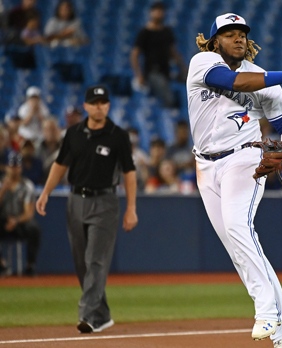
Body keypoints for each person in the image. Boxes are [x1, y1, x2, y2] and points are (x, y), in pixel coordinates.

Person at [187, 12, 282, 348]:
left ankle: (266, 310)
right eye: (229, 33)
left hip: (244, 159)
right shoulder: (203, 61)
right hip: (204, 166)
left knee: (240, 230)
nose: (238, 38)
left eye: (242, 32)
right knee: (238, 244)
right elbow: (234, 83)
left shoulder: (260, 75)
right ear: (215, 42)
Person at [35, 85, 138, 334]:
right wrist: (46, 192)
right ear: (86, 106)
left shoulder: (118, 135)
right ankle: (102, 315)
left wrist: (131, 207)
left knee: (95, 261)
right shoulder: (73, 133)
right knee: (82, 263)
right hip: (75, 200)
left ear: (108, 105)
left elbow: (129, 172)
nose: (99, 106)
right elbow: (60, 164)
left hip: (105, 202)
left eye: (104, 102)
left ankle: (88, 315)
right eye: (95, 102)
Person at [130, 1, 186, 108]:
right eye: (157, 11)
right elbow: (134, 54)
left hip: (166, 71)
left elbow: (173, 51)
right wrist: (139, 75)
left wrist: (183, 69)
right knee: (167, 98)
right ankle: (169, 114)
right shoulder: (145, 32)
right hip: (152, 71)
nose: (160, 13)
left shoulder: (167, 31)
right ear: (151, 13)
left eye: (162, 11)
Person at [0, 152, 40, 276]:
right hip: (2, 221)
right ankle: (1, 264)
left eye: (17, 166)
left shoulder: (27, 185)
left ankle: (30, 265)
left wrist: (16, 221)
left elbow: (29, 213)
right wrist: (3, 190)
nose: (14, 170)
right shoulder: (1, 184)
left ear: (21, 168)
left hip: (20, 221)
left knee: (34, 229)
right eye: (12, 166)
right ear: (7, 167)